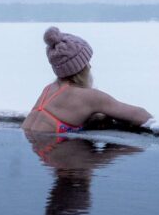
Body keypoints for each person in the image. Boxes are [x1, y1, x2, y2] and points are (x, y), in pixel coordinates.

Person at [21, 27, 152, 134]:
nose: (90, 66)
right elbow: (142, 116)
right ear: (81, 67)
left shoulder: (49, 89)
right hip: (58, 153)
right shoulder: (89, 97)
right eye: (87, 62)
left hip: (39, 153)